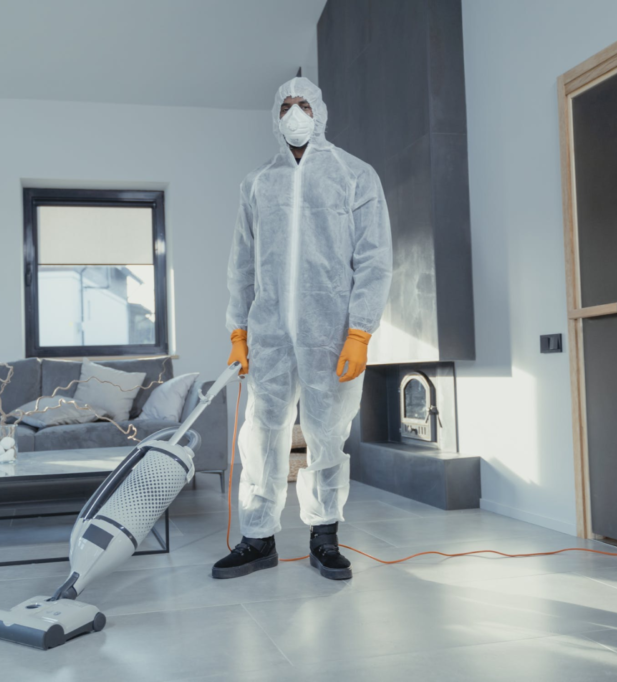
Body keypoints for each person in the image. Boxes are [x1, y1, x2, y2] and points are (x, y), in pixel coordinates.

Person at [213, 77, 393, 581]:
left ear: (322, 112)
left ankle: (324, 536)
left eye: (304, 104)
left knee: (328, 434)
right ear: (275, 115)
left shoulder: (355, 176)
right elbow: (242, 264)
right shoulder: (257, 184)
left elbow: (375, 259)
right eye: (287, 105)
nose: (296, 113)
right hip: (268, 332)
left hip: (329, 331)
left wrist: (360, 332)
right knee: (261, 434)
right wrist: (237, 332)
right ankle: (257, 538)